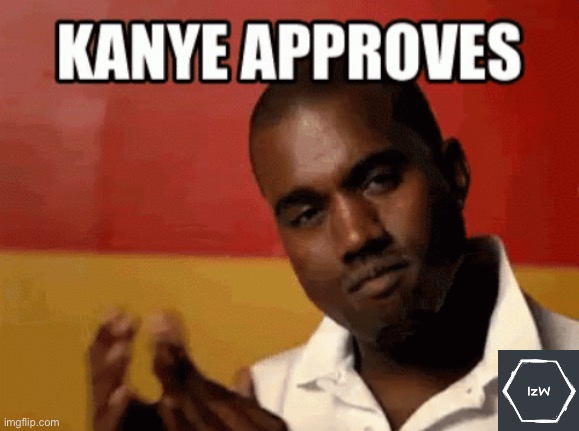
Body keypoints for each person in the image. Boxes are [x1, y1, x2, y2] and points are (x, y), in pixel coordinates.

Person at [89, 64, 579, 431]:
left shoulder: (568, 367)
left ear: (453, 174)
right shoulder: (261, 403)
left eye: (379, 181)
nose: (356, 236)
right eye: (307, 215)